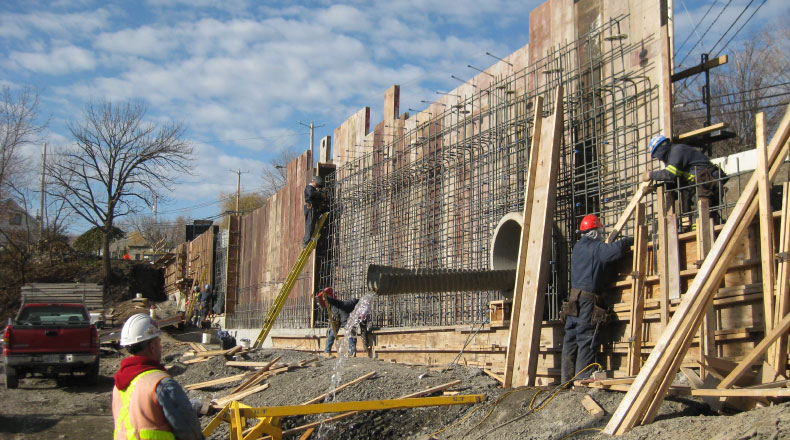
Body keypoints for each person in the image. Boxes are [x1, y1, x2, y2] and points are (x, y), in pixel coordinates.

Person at [560, 214, 633, 384]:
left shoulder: (578, 247)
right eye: (600, 231)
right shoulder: (597, 248)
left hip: (572, 300)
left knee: (570, 337)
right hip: (586, 300)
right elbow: (614, 251)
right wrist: (629, 240)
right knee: (586, 337)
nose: (601, 235)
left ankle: (566, 381)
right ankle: (582, 379)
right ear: (595, 231)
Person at [112, 314, 204, 440]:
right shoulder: (161, 383)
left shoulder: (119, 385)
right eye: (159, 342)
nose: (161, 347)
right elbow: (189, 432)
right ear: (152, 346)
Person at [644, 134, 726, 224]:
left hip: (707, 181)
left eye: (656, 156)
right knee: (706, 218)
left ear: (660, 149)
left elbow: (670, 174)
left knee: (702, 217)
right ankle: (709, 229)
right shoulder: (673, 155)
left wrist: (650, 175)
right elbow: (674, 181)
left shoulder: (677, 151)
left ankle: (703, 232)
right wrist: (655, 187)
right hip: (701, 183)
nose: (658, 159)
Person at [316, 287, 367, 356]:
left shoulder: (352, 305)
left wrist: (365, 343)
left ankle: (351, 351)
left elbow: (363, 329)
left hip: (344, 316)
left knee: (350, 332)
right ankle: (328, 351)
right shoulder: (341, 305)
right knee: (334, 333)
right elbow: (338, 303)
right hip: (337, 316)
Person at [303, 175, 326, 246]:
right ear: (313, 181)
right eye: (317, 184)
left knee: (312, 224)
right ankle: (306, 241)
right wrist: (320, 194)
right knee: (310, 224)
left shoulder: (313, 189)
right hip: (310, 207)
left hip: (313, 207)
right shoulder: (309, 187)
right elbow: (311, 194)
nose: (317, 186)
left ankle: (308, 239)